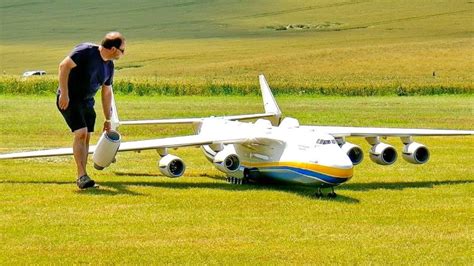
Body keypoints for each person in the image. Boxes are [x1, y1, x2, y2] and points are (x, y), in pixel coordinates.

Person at [56, 32, 126, 189]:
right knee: (80, 133)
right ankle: (82, 176)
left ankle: (83, 175)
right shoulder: (85, 51)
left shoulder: (109, 66)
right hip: (70, 99)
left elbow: (106, 92)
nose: (124, 53)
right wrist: (64, 93)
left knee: (86, 136)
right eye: (122, 50)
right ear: (113, 48)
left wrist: (108, 119)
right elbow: (64, 66)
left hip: (87, 102)